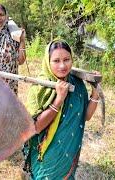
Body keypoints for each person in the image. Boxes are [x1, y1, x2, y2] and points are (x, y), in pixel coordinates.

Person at [23, 40, 99, 179]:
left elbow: (86, 116)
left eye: (66, 60)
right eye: (56, 61)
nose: (62, 66)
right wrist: (59, 100)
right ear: (48, 61)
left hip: (68, 151)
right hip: (46, 152)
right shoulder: (40, 88)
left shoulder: (77, 84)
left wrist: (95, 92)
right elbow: (36, 127)